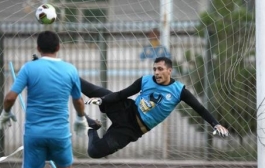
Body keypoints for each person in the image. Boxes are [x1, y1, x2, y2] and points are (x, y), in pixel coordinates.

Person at [81, 56, 229, 159]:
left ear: (169, 71)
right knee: (90, 89)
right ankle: (67, 75)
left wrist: (216, 124)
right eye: (154, 69)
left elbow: (200, 109)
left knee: (94, 151)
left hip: (131, 130)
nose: (156, 72)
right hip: (126, 110)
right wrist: (102, 100)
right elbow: (121, 94)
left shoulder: (179, 91)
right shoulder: (145, 80)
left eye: (160, 69)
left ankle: (92, 127)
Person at [0, 31, 100, 168]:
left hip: (34, 133)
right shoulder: (70, 69)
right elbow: (78, 100)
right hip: (59, 133)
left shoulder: (29, 68)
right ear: (58, 47)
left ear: (38, 48)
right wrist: (80, 118)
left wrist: (6, 113)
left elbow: (10, 97)